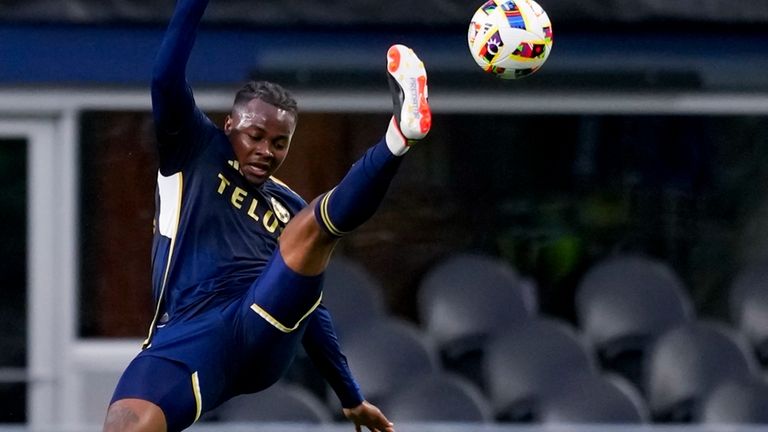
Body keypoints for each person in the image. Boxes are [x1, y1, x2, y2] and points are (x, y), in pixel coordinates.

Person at [102, 0, 431, 431]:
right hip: (187, 332)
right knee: (124, 424)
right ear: (229, 126)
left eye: (279, 143)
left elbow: (311, 309)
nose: (266, 151)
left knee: (311, 228)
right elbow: (165, 79)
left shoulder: (290, 207)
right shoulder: (194, 150)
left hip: (259, 326)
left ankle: (397, 137)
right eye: (255, 136)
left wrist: (350, 394)